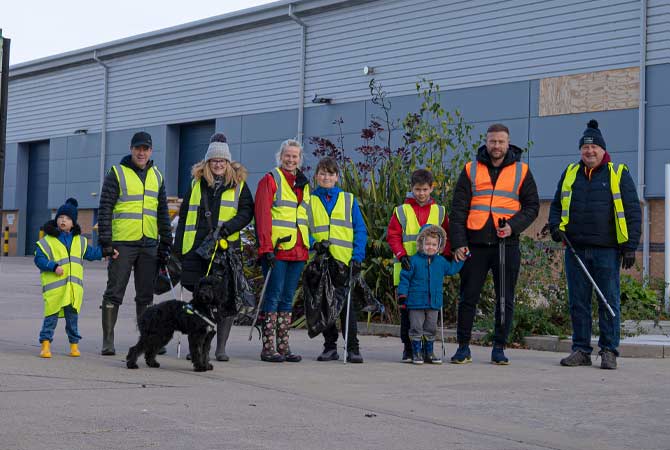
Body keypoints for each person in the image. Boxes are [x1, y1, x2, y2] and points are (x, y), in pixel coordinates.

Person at [548, 120, 641, 370]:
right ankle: (581, 350)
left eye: (594, 147)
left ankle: (609, 350)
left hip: (607, 251)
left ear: (602, 149)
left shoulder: (618, 173)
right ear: (581, 150)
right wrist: (555, 227)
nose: (589, 152)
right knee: (578, 302)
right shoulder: (570, 173)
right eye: (585, 148)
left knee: (608, 301)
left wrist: (630, 245)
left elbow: (632, 211)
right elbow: (556, 206)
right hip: (575, 250)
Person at [450, 123, 539, 365]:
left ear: (508, 143)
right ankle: (463, 347)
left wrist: (513, 226)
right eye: (492, 141)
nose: (496, 146)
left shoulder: (521, 171)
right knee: (468, 297)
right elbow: (458, 209)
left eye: (500, 141)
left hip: (506, 245)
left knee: (504, 299)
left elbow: (532, 207)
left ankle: (499, 347)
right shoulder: (471, 169)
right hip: (474, 245)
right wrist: (459, 243)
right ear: (486, 142)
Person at [174, 136, 254, 361]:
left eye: (222, 160)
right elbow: (184, 218)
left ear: (228, 162)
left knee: (226, 298)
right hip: (197, 249)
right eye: (214, 160)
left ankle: (220, 348)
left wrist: (228, 228)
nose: (218, 164)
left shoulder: (239, 185)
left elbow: (247, 212)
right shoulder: (196, 184)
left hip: (226, 250)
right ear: (207, 163)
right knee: (199, 298)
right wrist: (177, 249)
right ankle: (198, 346)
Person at [98, 131, 173, 356]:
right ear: (131, 149)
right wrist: (106, 243)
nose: (141, 153)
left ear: (151, 151)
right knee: (114, 292)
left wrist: (166, 241)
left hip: (149, 244)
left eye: (145, 149)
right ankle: (108, 341)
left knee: (146, 296)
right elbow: (105, 208)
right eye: (138, 148)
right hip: (122, 244)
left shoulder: (157, 176)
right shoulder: (117, 173)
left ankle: (149, 340)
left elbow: (162, 212)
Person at [34, 198, 118, 358]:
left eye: (67, 218)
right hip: (55, 291)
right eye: (60, 217)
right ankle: (45, 345)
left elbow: (92, 253)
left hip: (73, 290)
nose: (63, 220)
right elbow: (39, 259)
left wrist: (108, 251)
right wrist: (53, 266)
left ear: (73, 223)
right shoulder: (47, 241)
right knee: (50, 318)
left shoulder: (80, 241)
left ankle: (74, 346)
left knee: (72, 320)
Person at [386, 169, 451, 362]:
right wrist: (401, 254)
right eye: (417, 189)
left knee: (429, 316)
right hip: (406, 269)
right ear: (411, 188)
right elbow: (393, 235)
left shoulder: (440, 211)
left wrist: (444, 258)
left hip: (430, 271)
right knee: (407, 314)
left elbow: (446, 237)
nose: (421, 193)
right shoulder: (401, 211)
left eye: (424, 189)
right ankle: (408, 349)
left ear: (431, 188)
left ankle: (426, 350)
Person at [254, 139, 310, 363]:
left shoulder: (304, 183)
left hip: (298, 250)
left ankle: (283, 346)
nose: (291, 160)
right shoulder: (270, 179)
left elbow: (306, 216)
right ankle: (268, 347)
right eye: (287, 155)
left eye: (295, 156)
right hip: (277, 250)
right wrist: (265, 247)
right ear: (280, 156)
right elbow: (262, 215)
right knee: (274, 296)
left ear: (300, 159)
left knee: (287, 299)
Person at [308, 157, 367, 363]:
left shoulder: (348, 199)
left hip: (344, 262)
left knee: (347, 308)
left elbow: (360, 229)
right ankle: (330, 347)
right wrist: (314, 243)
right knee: (325, 305)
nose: (326, 177)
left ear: (337, 177)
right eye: (322, 173)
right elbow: (303, 227)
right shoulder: (309, 200)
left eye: (330, 174)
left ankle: (353, 348)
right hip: (321, 261)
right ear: (316, 176)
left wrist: (357, 257)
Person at [397, 225, 463, 364]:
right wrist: (402, 295)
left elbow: (452, 269)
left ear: (439, 246)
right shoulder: (413, 261)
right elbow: (405, 279)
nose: (430, 247)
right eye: (427, 244)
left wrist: (462, 259)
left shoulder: (440, 262)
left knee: (431, 328)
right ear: (421, 243)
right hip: (415, 302)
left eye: (434, 245)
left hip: (434, 302)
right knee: (416, 327)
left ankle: (429, 352)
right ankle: (416, 352)